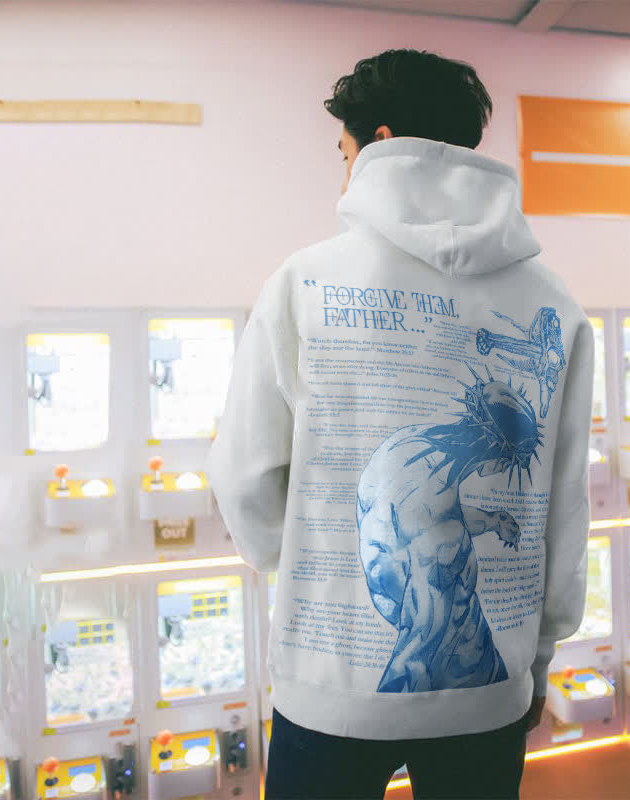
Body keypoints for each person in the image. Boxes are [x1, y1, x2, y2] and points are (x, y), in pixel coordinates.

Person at [208, 48, 594, 800]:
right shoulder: (555, 304)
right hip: (489, 689)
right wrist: (539, 657)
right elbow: (565, 507)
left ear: (379, 141)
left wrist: (312, 562)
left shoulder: (303, 281)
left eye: (344, 153)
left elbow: (244, 475)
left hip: (332, 690)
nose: (342, 174)